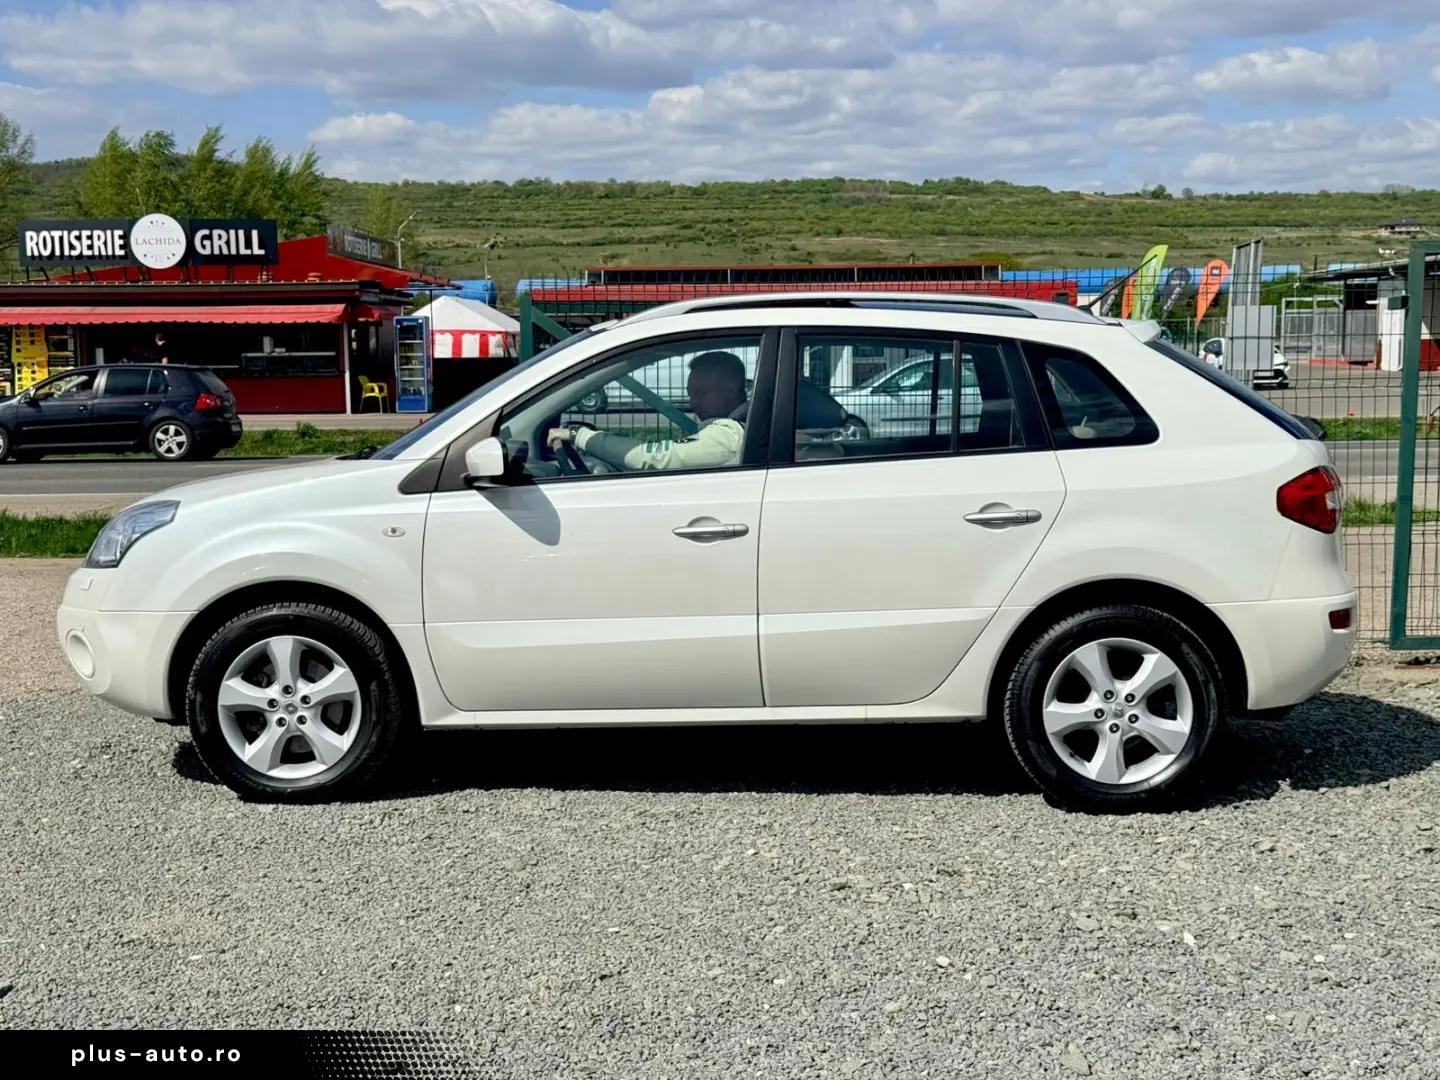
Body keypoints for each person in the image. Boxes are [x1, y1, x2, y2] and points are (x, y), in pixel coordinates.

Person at [547, 351, 748, 471]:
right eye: (691, 394)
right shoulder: (742, 428)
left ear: (730, 389)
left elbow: (648, 457)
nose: (693, 403)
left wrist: (577, 435)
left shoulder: (729, 436)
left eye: (701, 393)